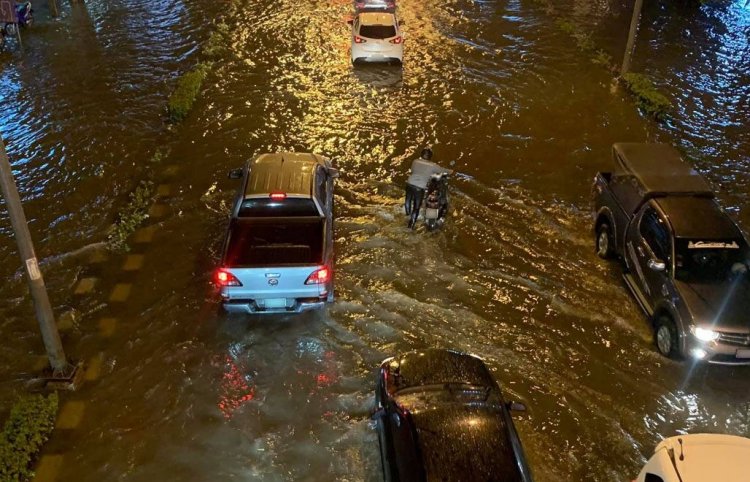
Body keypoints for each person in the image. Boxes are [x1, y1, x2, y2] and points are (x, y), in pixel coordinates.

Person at [405, 148, 453, 229]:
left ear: (421, 154)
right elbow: (442, 170)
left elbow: (413, 170)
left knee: (408, 200)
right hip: (419, 187)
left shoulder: (415, 161)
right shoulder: (433, 165)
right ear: (430, 156)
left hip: (410, 183)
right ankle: (410, 227)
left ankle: (407, 215)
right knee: (416, 208)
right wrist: (451, 171)